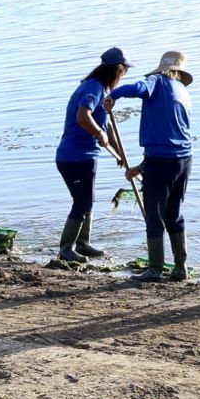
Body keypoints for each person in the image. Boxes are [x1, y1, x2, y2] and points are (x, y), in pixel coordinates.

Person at [107, 50, 194, 282]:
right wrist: (142, 166)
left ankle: (155, 268)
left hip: (161, 160)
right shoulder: (183, 91)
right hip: (184, 160)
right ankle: (180, 267)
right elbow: (171, 135)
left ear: (162, 69)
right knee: (173, 213)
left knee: (154, 215)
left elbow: (136, 89)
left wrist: (113, 94)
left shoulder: (157, 81)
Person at [54, 48, 130, 264]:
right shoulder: (93, 87)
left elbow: (109, 127)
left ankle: (83, 244)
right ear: (117, 70)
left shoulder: (101, 90)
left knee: (88, 200)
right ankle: (65, 249)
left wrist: (121, 154)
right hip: (75, 156)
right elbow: (82, 115)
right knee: (82, 201)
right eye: (124, 70)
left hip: (86, 156)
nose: (124, 74)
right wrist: (98, 133)